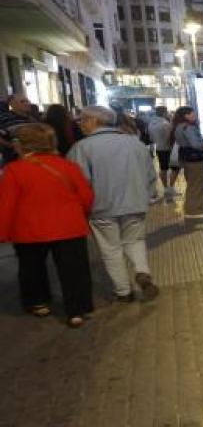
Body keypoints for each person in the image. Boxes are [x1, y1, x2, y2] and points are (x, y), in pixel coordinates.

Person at [0, 123, 95, 327]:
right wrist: (81, 214)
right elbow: (86, 197)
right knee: (74, 269)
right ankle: (76, 310)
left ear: (21, 145)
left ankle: (39, 303)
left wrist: (3, 232)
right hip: (69, 225)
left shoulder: (14, 170)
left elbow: (7, 204)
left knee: (31, 268)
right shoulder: (68, 166)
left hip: (29, 229)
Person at [68, 106, 160, 303]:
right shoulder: (134, 143)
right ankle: (142, 272)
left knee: (111, 249)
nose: (80, 124)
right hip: (135, 203)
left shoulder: (82, 148)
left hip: (101, 207)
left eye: (83, 120)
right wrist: (148, 196)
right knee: (135, 241)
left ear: (94, 121)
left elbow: (78, 182)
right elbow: (150, 174)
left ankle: (123, 291)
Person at [171, 107, 203, 219]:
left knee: (192, 184)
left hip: (186, 158)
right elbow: (195, 144)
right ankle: (194, 211)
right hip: (194, 159)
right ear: (186, 115)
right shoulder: (188, 127)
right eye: (192, 113)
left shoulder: (178, 126)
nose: (194, 115)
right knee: (196, 185)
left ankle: (191, 209)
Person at [146, 106, 176, 197]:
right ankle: (170, 188)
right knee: (174, 168)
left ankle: (165, 187)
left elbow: (150, 137)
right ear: (164, 113)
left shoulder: (151, 123)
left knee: (163, 168)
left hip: (158, 148)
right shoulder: (165, 123)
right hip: (167, 148)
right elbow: (170, 138)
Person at [0, 94, 36, 163]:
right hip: (13, 161)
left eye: (27, 101)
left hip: (32, 158)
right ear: (13, 104)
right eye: (22, 102)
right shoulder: (5, 118)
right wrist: (9, 144)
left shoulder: (32, 119)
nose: (27, 104)